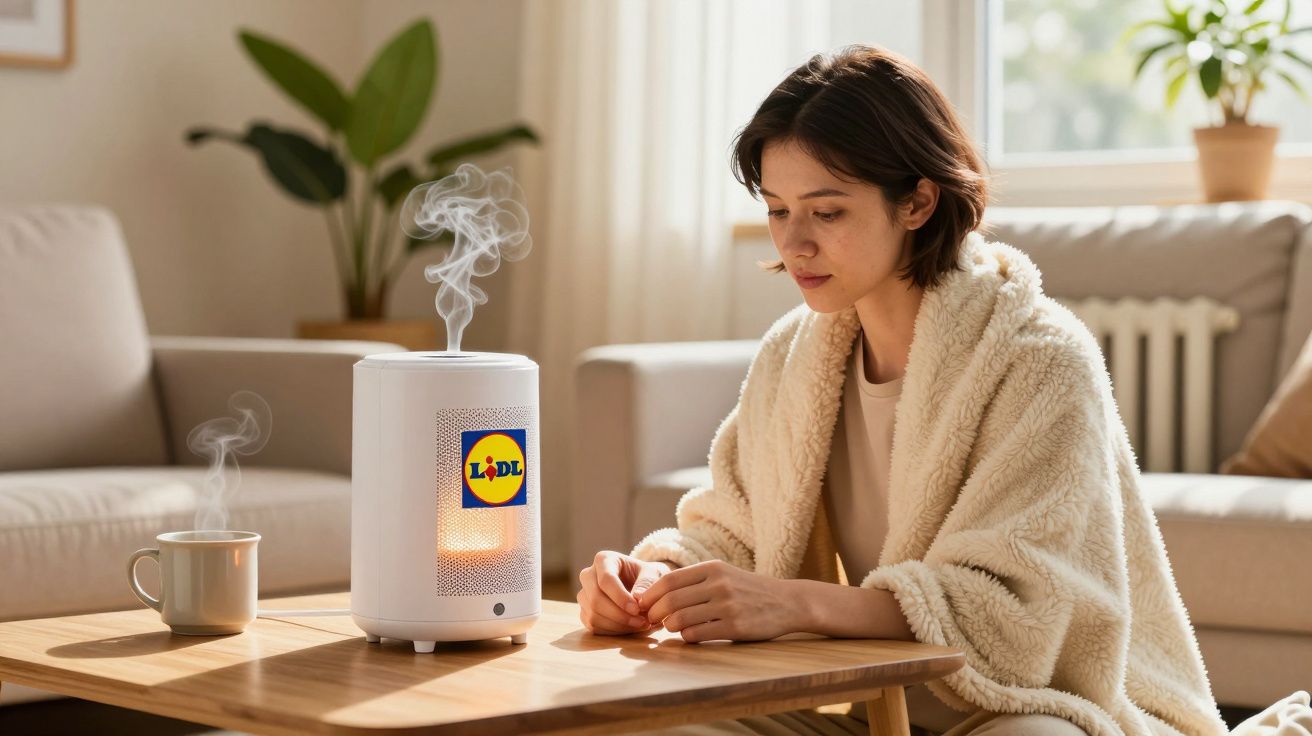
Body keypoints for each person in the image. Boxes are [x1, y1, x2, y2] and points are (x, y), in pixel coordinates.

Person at [576, 45, 1228, 736]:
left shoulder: (1040, 358)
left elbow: (1017, 615)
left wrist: (793, 605)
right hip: (873, 713)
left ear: (918, 201)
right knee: (642, 721)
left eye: (826, 213)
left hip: (1024, 706)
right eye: (776, 210)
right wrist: (658, 582)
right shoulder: (792, 356)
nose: (794, 244)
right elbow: (733, 536)